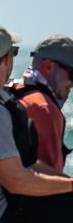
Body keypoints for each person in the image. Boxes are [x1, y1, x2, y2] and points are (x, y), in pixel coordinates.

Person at [0, 25, 73, 223]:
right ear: (7, 59)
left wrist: (68, 183)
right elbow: (16, 180)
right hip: (1, 219)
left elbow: (29, 164)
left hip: (2, 211)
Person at [10, 35, 73, 173]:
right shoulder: (44, 109)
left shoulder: (11, 92)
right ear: (48, 67)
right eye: (72, 74)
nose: (72, 84)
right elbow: (50, 183)